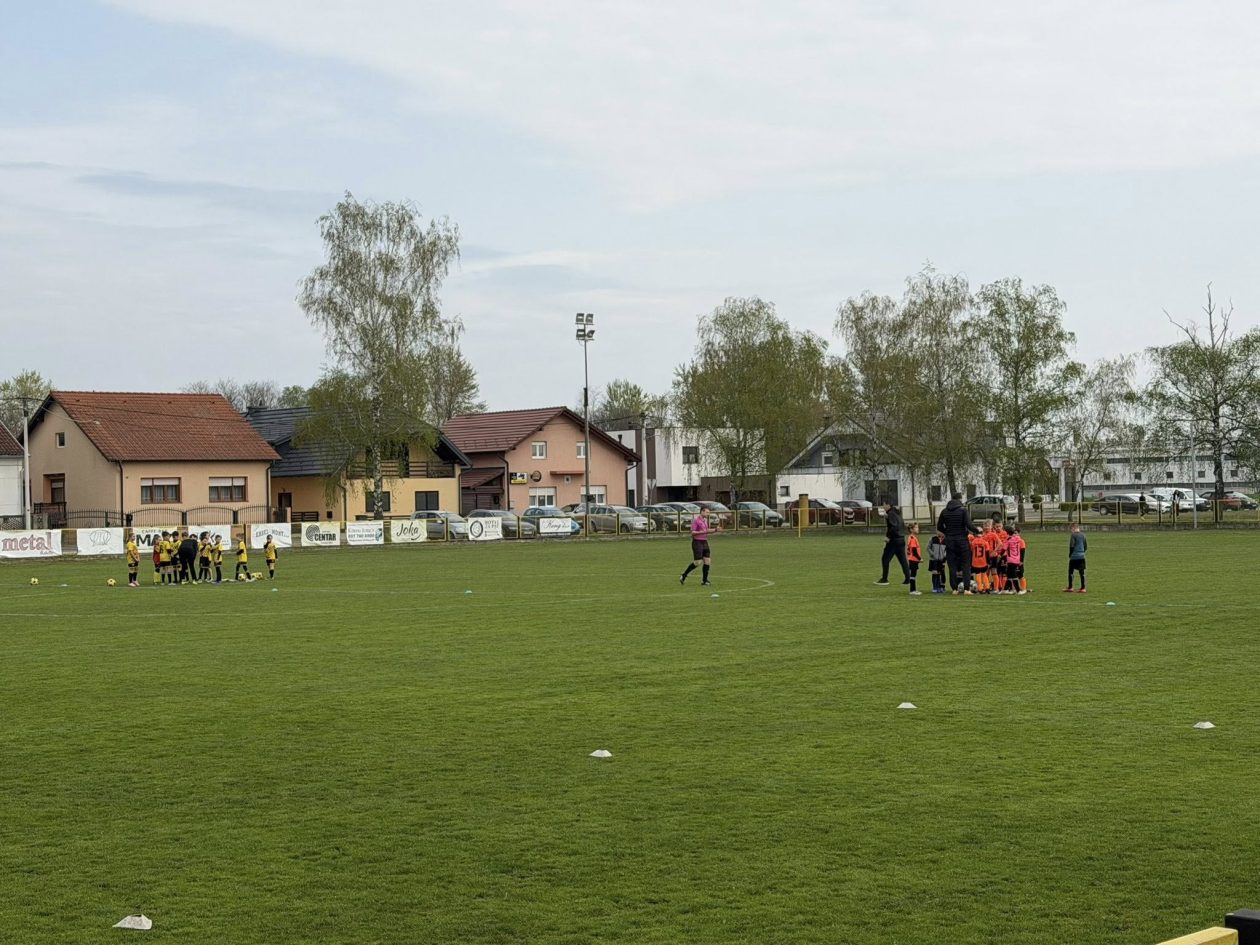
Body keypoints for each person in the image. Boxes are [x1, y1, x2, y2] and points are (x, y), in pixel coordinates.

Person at [937, 493, 978, 594]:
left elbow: (939, 526)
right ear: (960, 499)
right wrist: (977, 531)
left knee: (952, 565)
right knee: (966, 565)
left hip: (950, 541)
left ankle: (954, 589)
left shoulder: (944, 511)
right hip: (962, 540)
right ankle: (967, 589)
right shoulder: (963, 510)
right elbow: (969, 524)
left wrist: (947, 532)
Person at [875, 501, 909, 586]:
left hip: (894, 540)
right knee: (903, 560)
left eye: (884, 505)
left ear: (888, 505)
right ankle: (908, 578)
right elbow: (900, 525)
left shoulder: (891, 514)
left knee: (885, 559)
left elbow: (893, 527)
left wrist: (888, 537)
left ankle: (884, 579)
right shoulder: (897, 513)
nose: (883, 507)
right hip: (901, 539)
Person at [680, 506, 717, 586]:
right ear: (702, 512)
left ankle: (704, 581)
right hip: (697, 542)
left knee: (707, 561)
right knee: (697, 562)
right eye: (707, 512)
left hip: (704, 542)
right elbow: (692, 532)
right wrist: (702, 532)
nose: (708, 514)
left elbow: (706, 530)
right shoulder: (696, 520)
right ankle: (684, 575)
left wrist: (715, 530)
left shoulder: (705, 520)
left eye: (708, 512)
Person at [1003, 524, 1025, 595]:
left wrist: (1000, 555)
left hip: (1010, 559)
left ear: (1007, 533)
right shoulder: (1018, 539)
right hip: (1017, 559)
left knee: (1013, 575)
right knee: (1009, 574)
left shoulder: (1008, 540)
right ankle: (1005, 589)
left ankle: (1018, 590)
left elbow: (1004, 549)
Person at [1065, 523, 1087, 593]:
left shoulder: (1073, 535)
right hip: (1082, 556)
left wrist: (1070, 554)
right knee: (1082, 572)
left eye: (1071, 529)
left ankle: (1070, 587)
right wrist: (1082, 552)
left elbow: (1072, 546)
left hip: (1074, 556)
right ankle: (1083, 588)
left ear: (1073, 528)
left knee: (1071, 571)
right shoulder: (1083, 535)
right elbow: (1085, 546)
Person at [969, 526, 991, 593]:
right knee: (984, 574)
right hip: (983, 561)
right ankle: (987, 588)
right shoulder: (985, 542)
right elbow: (987, 553)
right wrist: (988, 562)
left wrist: (970, 562)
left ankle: (980, 588)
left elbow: (971, 552)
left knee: (978, 574)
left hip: (975, 561)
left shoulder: (973, 542)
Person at [906, 522, 922, 596]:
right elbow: (914, 551)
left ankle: (913, 590)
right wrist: (919, 558)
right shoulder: (912, 538)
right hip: (913, 559)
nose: (918, 529)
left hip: (913, 559)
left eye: (917, 527)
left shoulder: (912, 537)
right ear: (911, 529)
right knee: (913, 575)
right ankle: (912, 590)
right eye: (916, 527)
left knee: (913, 574)